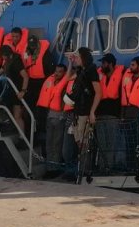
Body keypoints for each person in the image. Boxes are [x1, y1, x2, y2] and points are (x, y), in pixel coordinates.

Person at [67, 47, 101, 175]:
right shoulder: (81, 71)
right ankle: (81, 170)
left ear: (83, 57)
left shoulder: (91, 71)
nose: (75, 59)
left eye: (77, 57)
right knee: (78, 142)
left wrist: (92, 112)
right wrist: (70, 63)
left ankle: (85, 171)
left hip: (85, 111)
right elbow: (68, 78)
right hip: (77, 111)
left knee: (84, 143)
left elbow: (98, 93)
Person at [36, 62, 71, 178]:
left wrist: (70, 62)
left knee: (57, 144)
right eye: (56, 71)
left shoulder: (65, 83)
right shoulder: (51, 81)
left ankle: (55, 168)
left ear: (64, 73)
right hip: (50, 116)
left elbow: (68, 75)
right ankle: (49, 167)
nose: (57, 73)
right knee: (49, 144)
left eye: (60, 72)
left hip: (60, 117)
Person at [94, 53, 125, 171]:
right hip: (100, 114)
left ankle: (110, 167)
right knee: (102, 143)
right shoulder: (99, 75)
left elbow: (123, 95)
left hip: (113, 115)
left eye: (104, 63)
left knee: (112, 143)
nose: (102, 65)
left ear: (110, 64)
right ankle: (102, 167)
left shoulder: (121, 75)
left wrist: (121, 115)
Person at [0, 44, 29, 131]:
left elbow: (25, 76)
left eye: (2, 56)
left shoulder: (16, 61)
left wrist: (23, 91)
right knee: (1, 104)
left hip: (17, 91)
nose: (2, 58)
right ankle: (13, 128)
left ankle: (22, 136)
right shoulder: (7, 62)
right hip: (10, 91)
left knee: (17, 115)